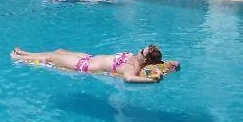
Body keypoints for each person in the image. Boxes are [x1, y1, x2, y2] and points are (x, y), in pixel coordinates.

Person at [11, 45, 164, 83]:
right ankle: (26, 53)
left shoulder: (132, 69)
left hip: (83, 66)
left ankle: (20, 57)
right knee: (59, 51)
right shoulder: (135, 58)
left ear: (146, 59)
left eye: (142, 52)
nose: (138, 50)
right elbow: (164, 63)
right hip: (89, 57)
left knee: (51, 57)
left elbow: (128, 78)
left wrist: (152, 80)